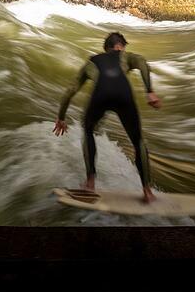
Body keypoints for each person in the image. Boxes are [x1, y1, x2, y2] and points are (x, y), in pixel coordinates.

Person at [54, 32, 161, 203]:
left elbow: (70, 91)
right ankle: (147, 192)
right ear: (121, 46)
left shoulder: (92, 61)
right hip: (123, 96)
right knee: (138, 141)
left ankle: (90, 184)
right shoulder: (126, 56)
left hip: (100, 96)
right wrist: (150, 91)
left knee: (88, 130)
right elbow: (142, 62)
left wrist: (61, 117)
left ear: (106, 48)